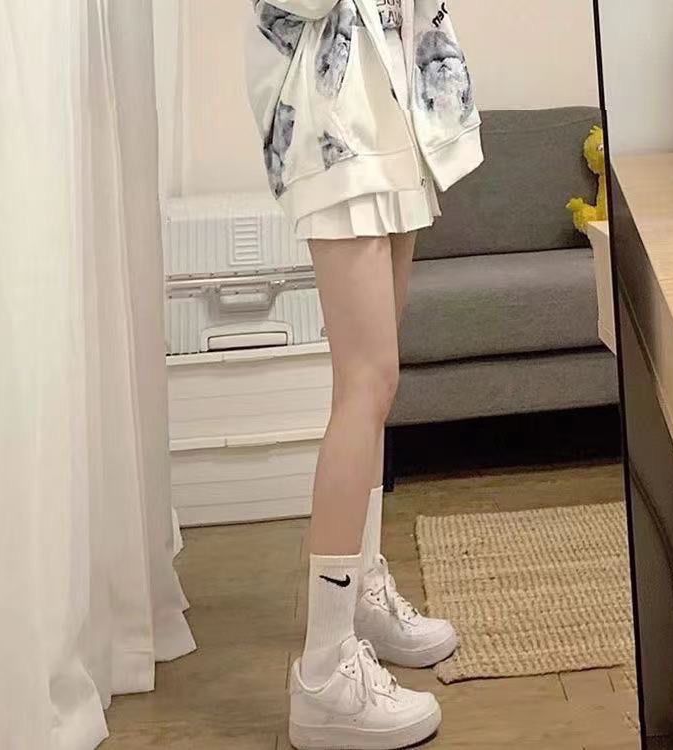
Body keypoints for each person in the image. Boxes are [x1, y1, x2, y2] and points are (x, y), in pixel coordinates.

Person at [245, 1, 483, 747]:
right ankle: (324, 671)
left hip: (393, 115)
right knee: (365, 383)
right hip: (335, 127)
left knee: (377, 386)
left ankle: (360, 598)